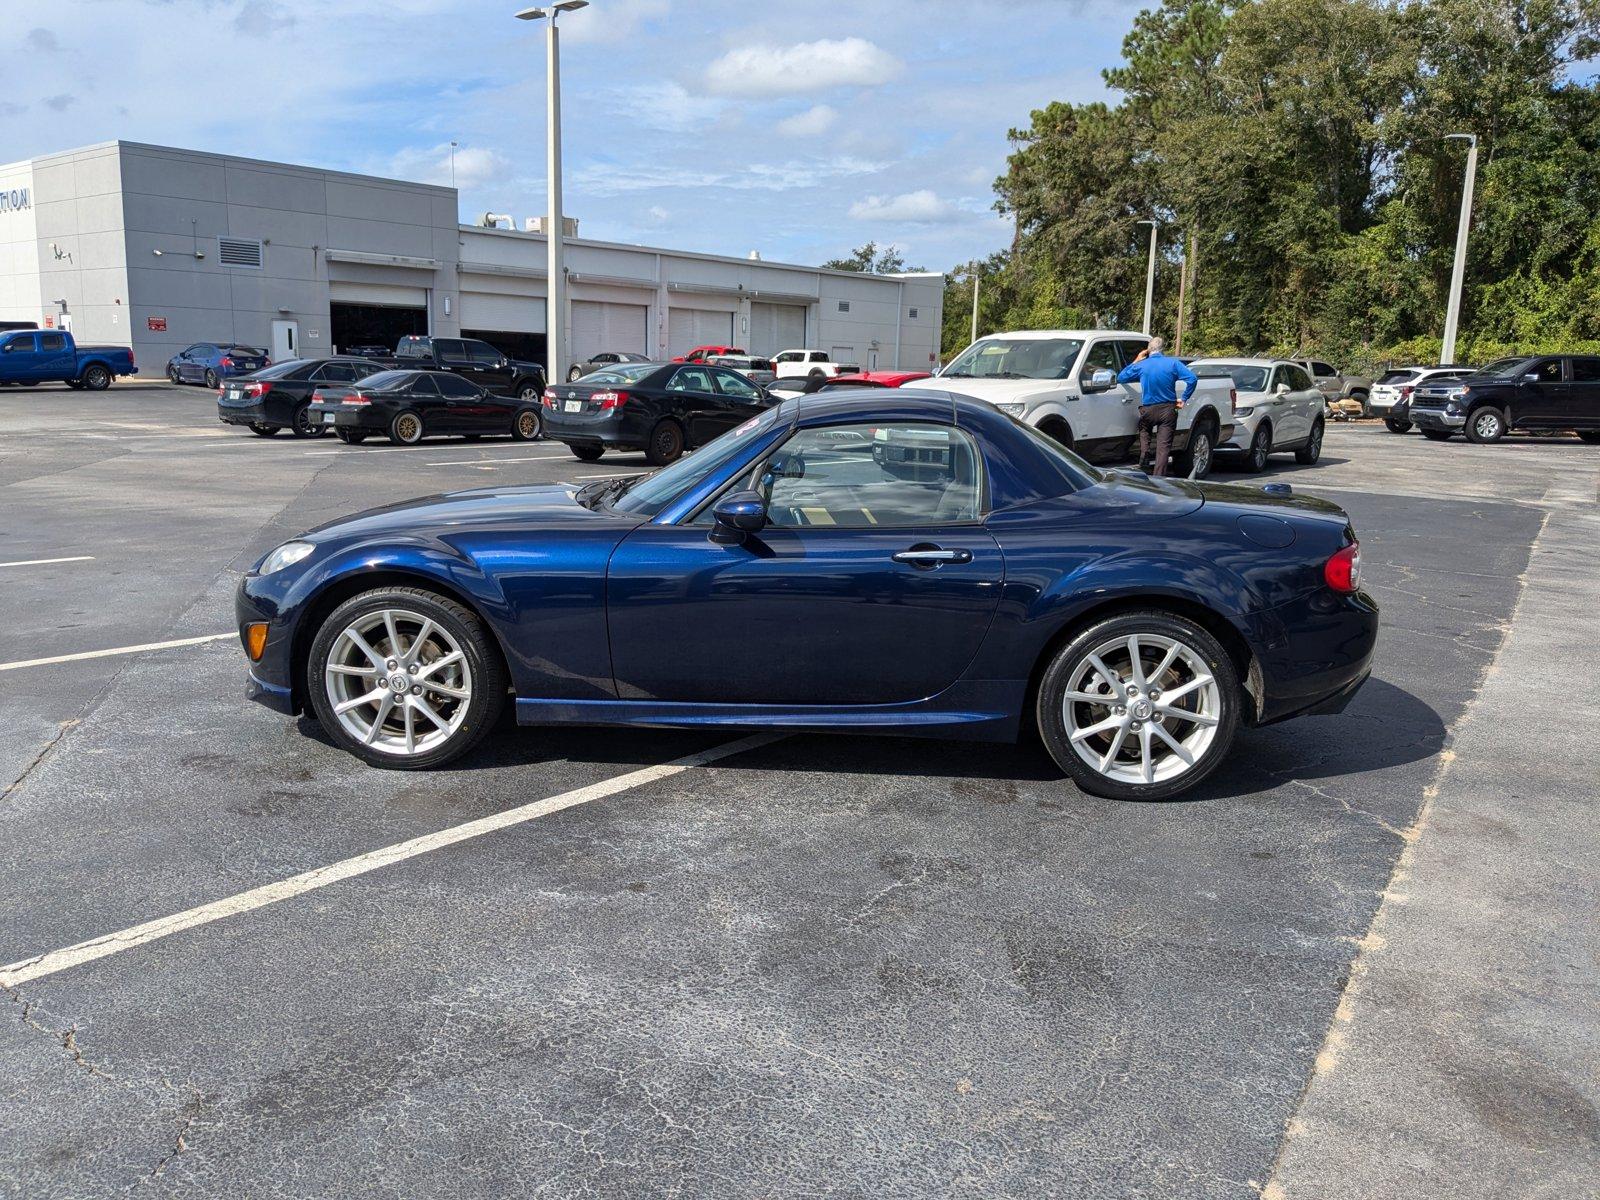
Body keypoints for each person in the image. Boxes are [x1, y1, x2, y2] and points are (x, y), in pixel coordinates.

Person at [1116, 336, 1197, 477]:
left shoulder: (1143, 365)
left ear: (1149, 350)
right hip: (1168, 410)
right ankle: (1159, 478)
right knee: (1163, 447)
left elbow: (1121, 377)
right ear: (1162, 349)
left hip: (1149, 409)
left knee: (1144, 427)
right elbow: (1192, 379)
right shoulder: (1172, 364)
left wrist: (1137, 359)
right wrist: (1184, 398)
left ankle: (1144, 454)